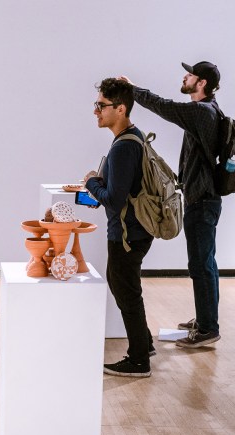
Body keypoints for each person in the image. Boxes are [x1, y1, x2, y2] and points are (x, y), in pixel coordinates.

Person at [124, 62, 224, 348]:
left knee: (201, 265)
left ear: (201, 83)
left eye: (190, 74)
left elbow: (163, 106)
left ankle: (207, 328)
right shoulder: (208, 111)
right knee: (206, 263)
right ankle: (206, 320)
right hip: (203, 198)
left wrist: (133, 90)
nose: (185, 76)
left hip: (202, 200)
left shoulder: (201, 112)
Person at [82, 78, 153, 377]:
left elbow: (113, 199)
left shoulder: (124, 147)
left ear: (120, 109)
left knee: (126, 292)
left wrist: (91, 183)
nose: (96, 111)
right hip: (135, 231)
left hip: (126, 235)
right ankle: (144, 343)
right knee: (126, 288)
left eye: (101, 106)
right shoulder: (132, 137)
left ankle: (138, 361)